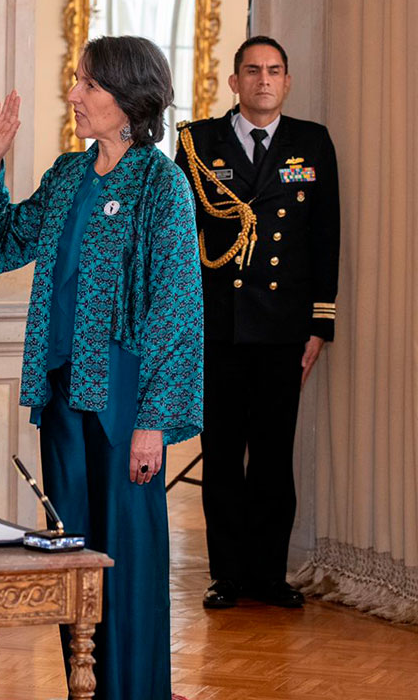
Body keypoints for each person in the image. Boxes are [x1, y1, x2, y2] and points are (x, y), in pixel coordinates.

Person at [0, 36, 202, 699]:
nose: (73, 96)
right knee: (75, 559)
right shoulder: (69, 175)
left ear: (129, 101)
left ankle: (138, 692)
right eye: (76, 82)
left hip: (128, 404)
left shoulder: (163, 185)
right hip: (64, 397)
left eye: (88, 86)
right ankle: (87, 687)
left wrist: (154, 422)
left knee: (127, 561)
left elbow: (176, 312)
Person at [174, 36, 339, 611]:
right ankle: (228, 575)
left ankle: (269, 575)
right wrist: (179, 322)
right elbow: (178, 240)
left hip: (283, 331)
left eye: (274, 71)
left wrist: (320, 323)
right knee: (221, 455)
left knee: (272, 456)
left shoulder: (310, 142)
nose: (263, 80)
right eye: (252, 71)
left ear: (287, 82)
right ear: (235, 82)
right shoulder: (197, 144)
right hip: (218, 328)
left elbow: (325, 237)